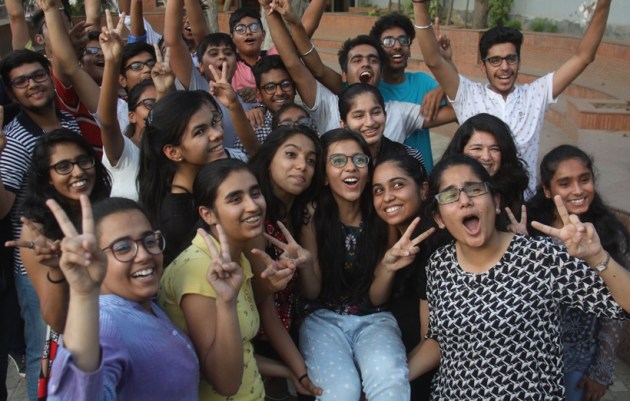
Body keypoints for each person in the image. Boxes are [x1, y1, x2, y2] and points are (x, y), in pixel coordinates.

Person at [408, 154, 630, 400]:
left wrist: (598, 257)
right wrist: (391, 380)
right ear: (439, 217)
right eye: (450, 196)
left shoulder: (540, 257)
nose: (464, 201)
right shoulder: (439, 265)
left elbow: (623, 305)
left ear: (495, 201)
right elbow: (440, 341)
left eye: (474, 189)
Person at [411, 0, 613, 193]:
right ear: (483, 65)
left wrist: (604, 4)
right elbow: (433, 60)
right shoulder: (468, 94)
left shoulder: (536, 94)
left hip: (523, 206)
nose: (505, 67)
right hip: (477, 203)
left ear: (519, 61)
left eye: (511, 59)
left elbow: (583, 57)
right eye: (495, 60)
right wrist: (419, 4)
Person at [44, 196, 199, 400]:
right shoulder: (105, 325)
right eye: (123, 247)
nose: (144, 255)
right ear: (92, 258)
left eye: (149, 241)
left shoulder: (148, 305)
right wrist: (83, 295)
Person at [299, 129, 410, 400]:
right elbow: (312, 292)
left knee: (390, 386)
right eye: (338, 161)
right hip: (322, 319)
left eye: (359, 160)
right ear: (324, 176)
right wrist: (305, 264)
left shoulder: (382, 214)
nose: (351, 167)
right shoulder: (312, 216)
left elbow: (377, 297)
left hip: (374, 318)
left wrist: (387, 268)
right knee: (341, 392)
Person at [0, 48, 81, 401]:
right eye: (21, 82)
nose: (33, 85)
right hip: (38, 265)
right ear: (11, 92)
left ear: (50, 75)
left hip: (76, 255)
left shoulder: (69, 123)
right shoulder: (15, 140)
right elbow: (2, 208)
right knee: (43, 352)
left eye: (38, 75)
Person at [158, 159, 270, 400]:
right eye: (235, 199)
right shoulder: (200, 269)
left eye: (255, 193)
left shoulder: (236, 257)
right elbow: (224, 382)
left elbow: (242, 349)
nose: (253, 206)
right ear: (207, 214)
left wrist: (291, 372)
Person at [527, 145, 630, 401]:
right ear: (547, 190)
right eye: (565, 183)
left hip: (579, 359)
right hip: (529, 359)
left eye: (584, 179)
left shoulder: (609, 234)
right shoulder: (529, 230)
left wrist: (602, 370)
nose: (577, 190)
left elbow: (615, 313)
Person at [137, 89, 248, 264]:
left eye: (214, 122)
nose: (217, 134)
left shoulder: (211, 185)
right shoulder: (177, 218)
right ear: (173, 152)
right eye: (200, 132)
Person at [371, 153, 435, 401]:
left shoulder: (436, 246)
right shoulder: (389, 241)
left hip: (425, 378)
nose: (387, 197)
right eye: (378, 190)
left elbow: (434, 342)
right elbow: (376, 299)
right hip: (398, 364)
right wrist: (388, 267)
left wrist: (385, 385)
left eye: (397, 185)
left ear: (423, 189)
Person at [369, 12, 450, 171]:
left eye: (403, 40)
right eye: (388, 41)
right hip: (386, 178)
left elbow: (457, 110)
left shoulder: (422, 82)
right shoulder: (371, 91)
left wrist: (444, 68)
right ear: (378, 50)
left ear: (410, 49)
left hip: (423, 177)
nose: (397, 46)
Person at [441, 113, 529, 229]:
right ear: (460, 151)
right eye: (477, 148)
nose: (486, 157)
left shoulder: (512, 187)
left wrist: (520, 237)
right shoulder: (444, 188)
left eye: (494, 149)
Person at [339, 83, 426, 169]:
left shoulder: (410, 156)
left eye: (376, 112)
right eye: (359, 116)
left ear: (385, 115)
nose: (370, 122)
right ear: (344, 125)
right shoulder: (337, 163)